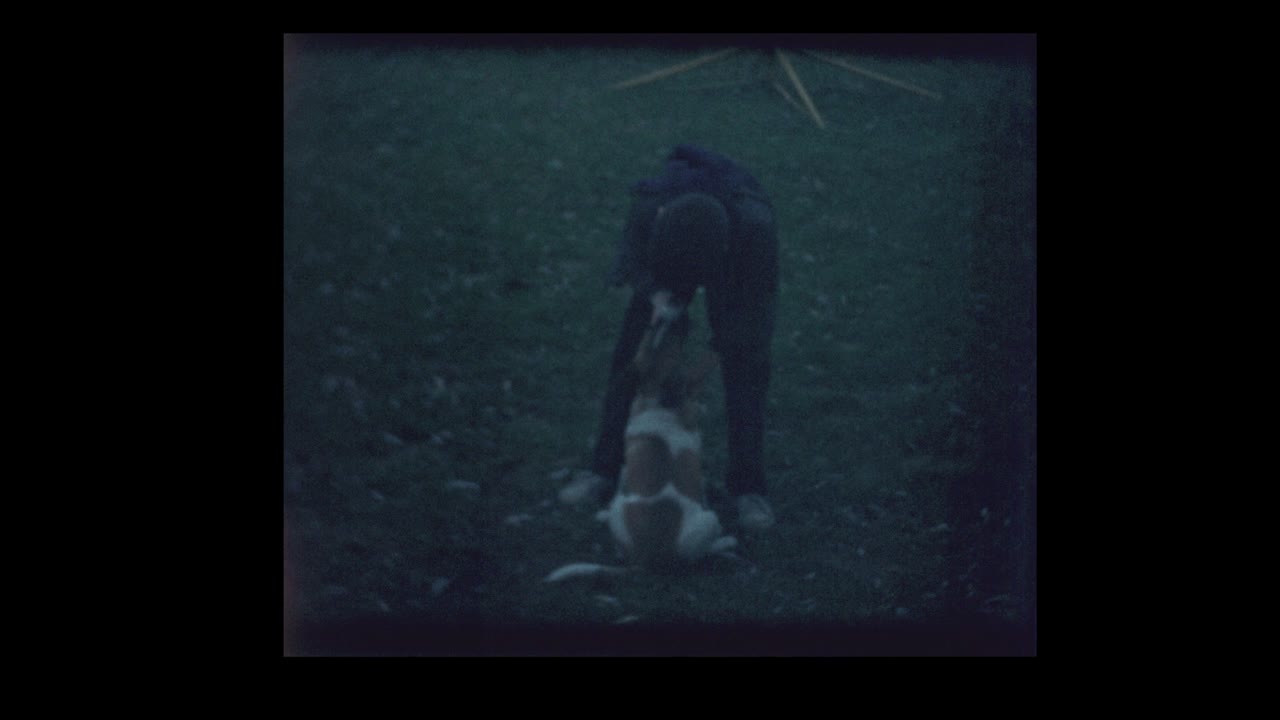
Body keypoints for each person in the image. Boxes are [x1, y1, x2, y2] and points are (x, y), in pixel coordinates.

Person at [560, 144, 779, 531]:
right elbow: (631, 260)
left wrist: (702, 368)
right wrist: (655, 295)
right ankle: (602, 469)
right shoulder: (651, 207)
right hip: (669, 256)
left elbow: (750, 321)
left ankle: (749, 488)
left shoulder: (755, 229)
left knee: (748, 366)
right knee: (631, 353)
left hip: (734, 262)